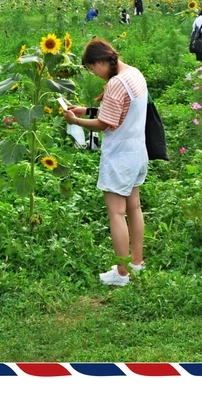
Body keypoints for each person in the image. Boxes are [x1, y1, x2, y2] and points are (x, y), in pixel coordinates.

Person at [64, 38, 147, 287]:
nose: (94, 73)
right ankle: (137, 263)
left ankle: (121, 274)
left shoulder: (115, 84)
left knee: (116, 212)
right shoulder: (134, 74)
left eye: (92, 68)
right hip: (137, 152)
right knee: (134, 207)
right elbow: (120, 111)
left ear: (101, 61)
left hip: (119, 155)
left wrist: (75, 121)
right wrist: (87, 110)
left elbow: (105, 124)